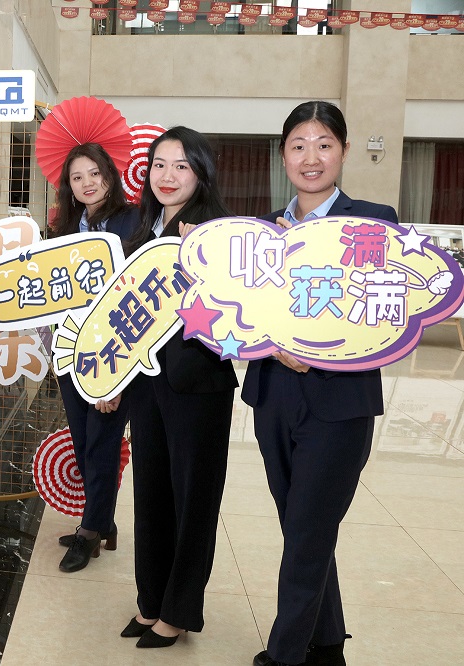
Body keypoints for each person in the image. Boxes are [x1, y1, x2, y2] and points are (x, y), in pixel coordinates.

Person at [244, 101, 396, 666]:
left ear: (344, 151)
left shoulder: (373, 221)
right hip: (273, 396)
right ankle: (328, 643)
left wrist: (319, 350)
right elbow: (242, 313)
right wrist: (263, 340)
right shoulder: (262, 231)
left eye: (324, 144)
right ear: (283, 155)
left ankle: (286, 654)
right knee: (301, 525)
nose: (312, 157)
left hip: (340, 401)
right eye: (299, 146)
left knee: (308, 529)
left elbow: (384, 312)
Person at [119, 126, 238, 649]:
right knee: (151, 493)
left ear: (201, 173)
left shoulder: (219, 232)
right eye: (159, 165)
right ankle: (150, 601)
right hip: (147, 383)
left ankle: (179, 610)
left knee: (194, 501)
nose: (168, 176)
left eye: (182, 166)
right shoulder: (143, 230)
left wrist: (206, 263)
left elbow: (240, 308)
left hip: (199, 383)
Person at [48, 142, 140, 573]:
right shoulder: (65, 228)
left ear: (110, 175)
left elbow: (136, 292)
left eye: (95, 173)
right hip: (72, 350)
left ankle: (89, 532)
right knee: (84, 442)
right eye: (77, 177)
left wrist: (116, 374)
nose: (87, 183)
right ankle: (103, 522)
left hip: (113, 350)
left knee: (103, 443)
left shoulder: (134, 221)